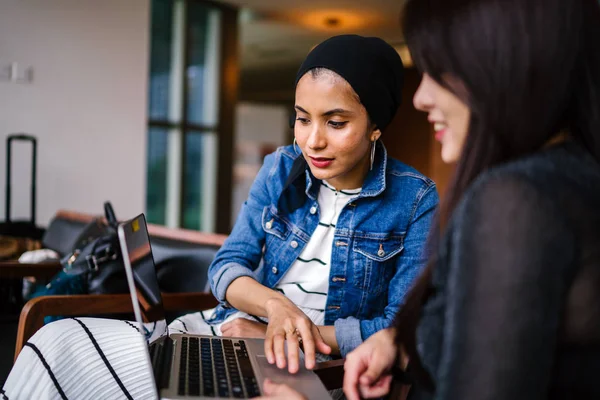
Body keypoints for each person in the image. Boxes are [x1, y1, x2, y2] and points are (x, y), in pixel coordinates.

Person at [2, 35, 438, 399]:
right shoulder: (280, 168)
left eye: (336, 122)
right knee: (57, 343)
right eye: (302, 119)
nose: (313, 141)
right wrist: (275, 306)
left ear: (376, 124)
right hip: (222, 330)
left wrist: (289, 331)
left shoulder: (415, 199)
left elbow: (397, 330)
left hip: (311, 365)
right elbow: (226, 268)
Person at [263, 0, 600, 398]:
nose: (420, 98)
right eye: (303, 118)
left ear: (506, 66)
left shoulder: (514, 201)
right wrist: (401, 346)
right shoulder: (573, 177)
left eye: (438, 72)